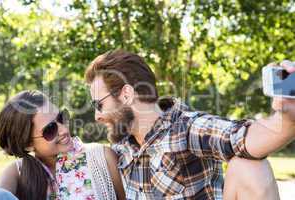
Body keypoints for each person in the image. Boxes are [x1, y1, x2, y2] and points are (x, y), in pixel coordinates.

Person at [84, 50, 295, 199]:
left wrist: (287, 115)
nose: (97, 116)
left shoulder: (186, 129)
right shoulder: (121, 151)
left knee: (250, 166)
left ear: (127, 94)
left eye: (99, 105)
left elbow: (246, 138)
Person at [0, 90, 125, 200]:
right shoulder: (18, 172)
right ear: (28, 144)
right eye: (51, 129)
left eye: (61, 118)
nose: (64, 130)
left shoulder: (102, 157)